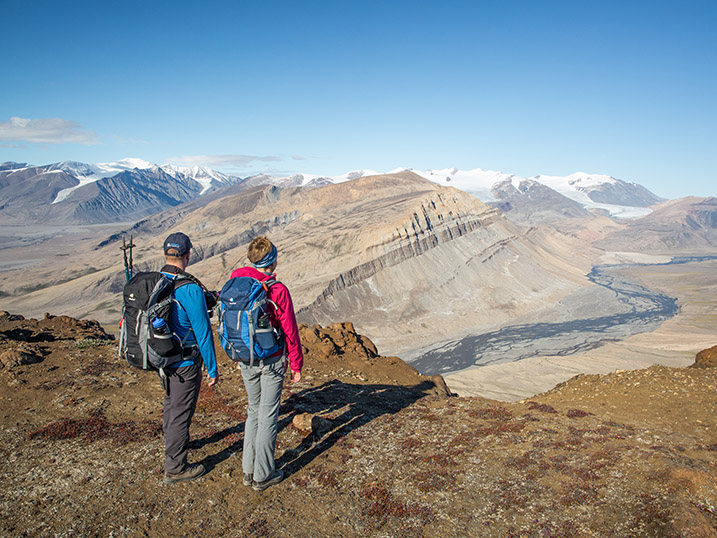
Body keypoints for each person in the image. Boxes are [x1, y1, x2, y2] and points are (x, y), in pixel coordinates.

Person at [230, 236, 303, 491]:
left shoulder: (236, 282)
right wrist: (296, 364)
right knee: (268, 414)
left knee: (253, 411)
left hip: (245, 356)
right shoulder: (276, 289)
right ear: (272, 260)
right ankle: (263, 474)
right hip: (271, 359)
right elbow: (290, 329)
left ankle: (248, 470)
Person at [159, 232, 219, 484]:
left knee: (171, 403)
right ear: (188, 255)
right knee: (182, 410)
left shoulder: (157, 280)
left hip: (162, 355)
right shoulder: (190, 289)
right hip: (185, 360)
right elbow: (203, 332)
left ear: (165, 254)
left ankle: (174, 439)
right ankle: (175, 467)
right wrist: (212, 369)